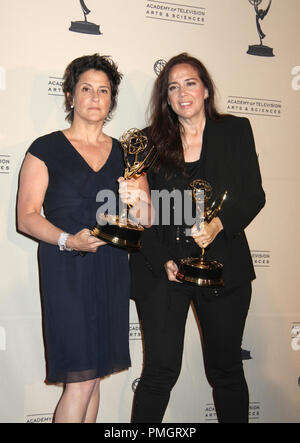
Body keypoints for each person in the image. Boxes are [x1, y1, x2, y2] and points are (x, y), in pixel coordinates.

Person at [130, 53, 265, 423]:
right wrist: (162, 260)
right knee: (159, 373)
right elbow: (138, 215)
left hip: (223, 267)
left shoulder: (236, 130)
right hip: (162, 270)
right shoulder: (146, 142)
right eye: (172, 87)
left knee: (226, 371)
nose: (182, 92)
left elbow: (254, 195)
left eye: (190, 83)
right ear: (166, 97)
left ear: (205, 89)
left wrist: (219, 224)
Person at [17, 54, 151, 423]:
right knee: (79, 380)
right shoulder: (45, 148)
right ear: (70, 96)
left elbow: (147, 218)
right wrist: (67, 240)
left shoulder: (128, 154)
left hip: (111, 270)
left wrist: (135, 200)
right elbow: (26, 217)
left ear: (112, 100)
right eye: (86, 89)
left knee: (94, 379)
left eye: (103, 90)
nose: (95, 97)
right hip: (66, 267)